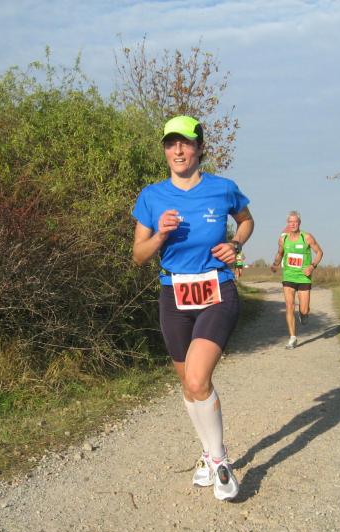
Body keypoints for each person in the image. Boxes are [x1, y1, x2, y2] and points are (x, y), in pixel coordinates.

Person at [132, 115, 254, 501]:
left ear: (200, 148)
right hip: (174, 294)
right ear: (165, 150)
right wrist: (160, 235)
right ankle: (207, 452)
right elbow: (138, 255)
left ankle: (219, 462)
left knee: (199, 379)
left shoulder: (222, 188)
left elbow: (246, 221)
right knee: (189, 384)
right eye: (171, 143)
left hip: (217, 289)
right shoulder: (151, 196)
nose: (178, 150)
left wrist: (235, 245)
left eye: (185, 142)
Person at [270, 211, 323, 349]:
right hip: (289, 276)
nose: (292, 224)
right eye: (290, 222)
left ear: (299, 223)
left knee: (304, 310)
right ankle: (292, 337)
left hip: (304, 277)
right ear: (287, 223)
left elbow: (319, 252)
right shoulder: (283, 239)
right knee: (289, 306)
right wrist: (275, 264)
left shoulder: (307, 237)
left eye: (295, 222)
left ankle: (304, 314)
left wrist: (312, 266)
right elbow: (280, 253)